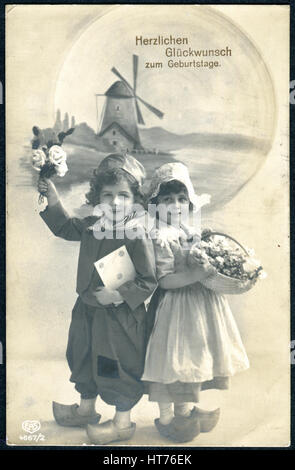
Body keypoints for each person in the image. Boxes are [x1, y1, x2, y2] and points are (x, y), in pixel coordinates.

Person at [38, 153, 157, 445]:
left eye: (123, 196)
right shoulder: (93, 225)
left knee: (114, 363)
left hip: (118, 318)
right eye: (107, 195)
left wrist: (118, 295)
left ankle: (122, 422)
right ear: (97, 197)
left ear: (135, 200)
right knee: (82, 354)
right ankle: (86, 409)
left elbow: (148, 280)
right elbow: (65, 227)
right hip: (87, 310)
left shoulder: (137, 234)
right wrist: (52, 196)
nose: (115, 203)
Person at [141, 162, 250, 443]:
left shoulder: (191, 231)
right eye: (167, 200)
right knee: (172, 362)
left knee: (193, 358)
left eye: (181, 200)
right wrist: (195, 273)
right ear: (155, 206)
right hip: (175, 308)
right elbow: (164, 280)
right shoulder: (160, 236)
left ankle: (185, 410)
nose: (175, 206)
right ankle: (167, 419)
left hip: (199, 307)